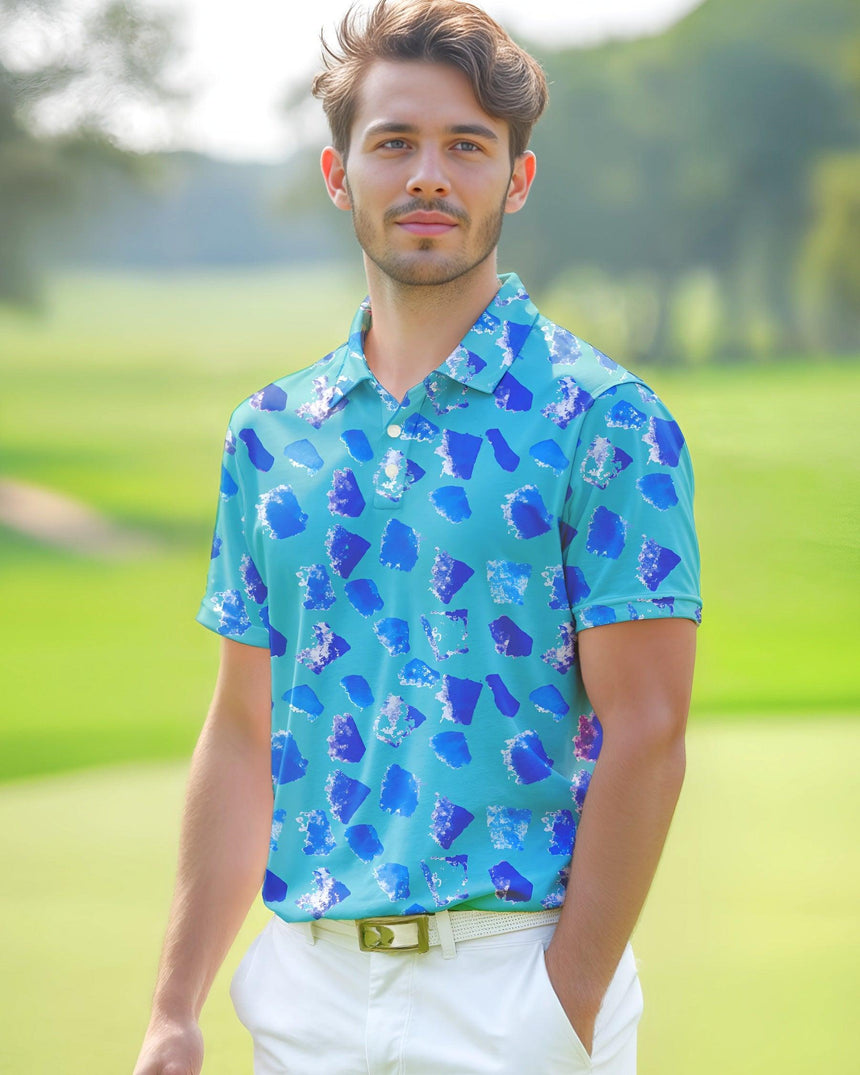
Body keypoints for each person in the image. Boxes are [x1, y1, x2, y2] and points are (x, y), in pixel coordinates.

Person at [133, 2, 701, 1072]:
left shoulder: (601, 418)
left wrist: (562, 1003)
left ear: (515, 181)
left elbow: (649, 729)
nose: (428, 175)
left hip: (512, 987)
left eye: (465, 146)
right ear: (338, 173)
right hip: (305, 993)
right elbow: (243, 733)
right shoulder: (269, 435)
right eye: (393, 142)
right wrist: (175, 1005)